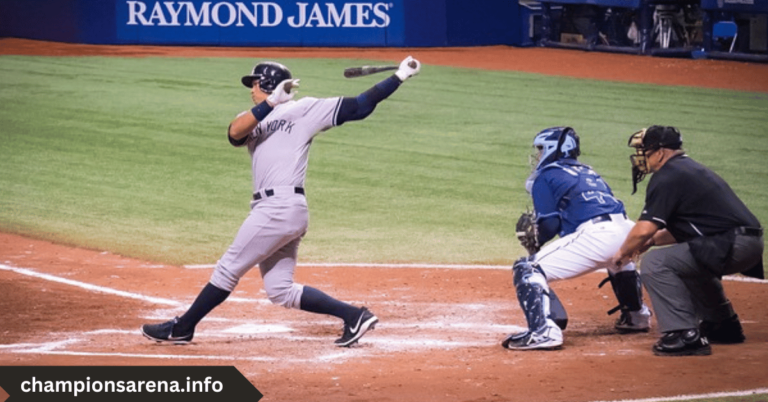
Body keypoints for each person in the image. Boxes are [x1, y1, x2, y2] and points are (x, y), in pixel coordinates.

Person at [141, 56, 421, 347]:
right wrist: (270, 103)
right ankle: (355, 316)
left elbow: (360, 106)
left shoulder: (304, 109)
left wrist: (399, 76)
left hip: (281, 208)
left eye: (254, 83)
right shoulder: (254, 116)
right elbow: (233, 134)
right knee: (280, 291)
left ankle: (183, 327)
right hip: (276, 210)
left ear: (267, 82)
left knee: (228, 269)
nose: (251, 89)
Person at [612, 125, 764, 356]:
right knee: (688, 262)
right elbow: (693, 228)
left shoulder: (668, 176)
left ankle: (684, 334)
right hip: (744, 243)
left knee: (656, 263)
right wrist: (652, 241)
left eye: (645, 150)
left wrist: (622, 253)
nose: (641, 157)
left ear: (661, 152)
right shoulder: (687, 169)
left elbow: (643, 229)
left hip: (731, 244)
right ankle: (721, 325)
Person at [503, 126, 652, 350]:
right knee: (617, 261)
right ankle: (636, 315)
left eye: (541, 149)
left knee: (527, 268)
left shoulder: (547, 175)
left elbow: (550, 223)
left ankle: (543, 332)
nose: (538, 155)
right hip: (627, 229)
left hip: (598, 235)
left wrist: (537, 242)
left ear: (554, 149)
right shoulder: (588, 172)